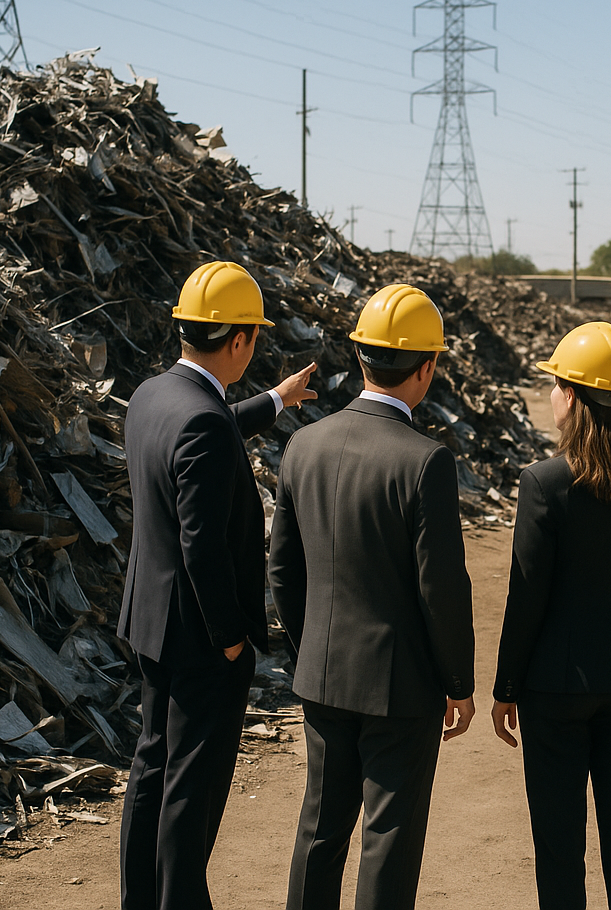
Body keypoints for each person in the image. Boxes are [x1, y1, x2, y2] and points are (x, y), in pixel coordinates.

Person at [268, 283, 475, 910]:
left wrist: (314, 650)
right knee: (388, 838)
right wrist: (457, 683)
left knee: (319, 831)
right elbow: (440, 588)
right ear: (428, 366)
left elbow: (283, 570)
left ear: (361, 357)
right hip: (400, 687)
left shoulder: (303, 444)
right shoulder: (424, 461)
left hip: (324, 675)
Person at [118, 260, 318, 910]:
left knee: (152, 767)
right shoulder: (203, 421)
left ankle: (141, 899)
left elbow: (209, 427)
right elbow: (201, 545)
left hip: (151, 620)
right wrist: (232, 639)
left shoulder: (154, 396)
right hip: (202, 637)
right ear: (239, 341)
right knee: (192, 785)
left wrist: (277, 399)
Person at [491, 321, 611, 910]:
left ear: (572, 394)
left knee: (559, 841)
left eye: (554, 384)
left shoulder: (544, 483)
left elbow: (527, 597)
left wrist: (507, 686)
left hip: (556, 686)